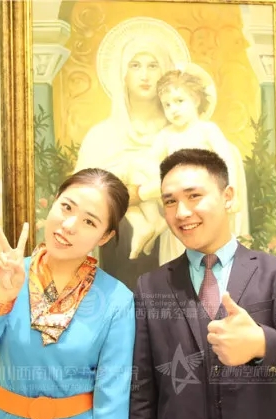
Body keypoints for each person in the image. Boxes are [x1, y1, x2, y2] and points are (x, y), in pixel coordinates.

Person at [130, 149, 276, 419]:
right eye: (170, 201)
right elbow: (142, 390)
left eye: (194, 196)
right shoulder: (150, 287)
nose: (182, 212)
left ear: (228, 196)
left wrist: (260, 343)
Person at [0, 168, 135, 419]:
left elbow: (112, 401)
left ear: (105, 236)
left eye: (89, 222)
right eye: (66, 207)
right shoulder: (4, 275)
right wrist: (3, 296)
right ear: (54, 201)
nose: (69, 225)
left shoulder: (117, 300)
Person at [72, 17, 190, 285]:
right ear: (122, 74)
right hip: (117, 260)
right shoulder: (100, 136)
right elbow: (82, 198)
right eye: (135, 65)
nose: (145, 75)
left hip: (176, 249)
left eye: (153, 65)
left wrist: (139, 193)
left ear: (165, 72)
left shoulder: (181, 133)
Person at [127, 68, 250, 263]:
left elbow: (227, 160)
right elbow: (148, 162)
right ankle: (151, 222)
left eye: (179, 101)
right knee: (135, 168)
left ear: (196, 100)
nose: (173, 109)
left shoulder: (207, 130)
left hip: (201, 200)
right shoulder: (166, 135)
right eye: (167, 105)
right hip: (177, 204)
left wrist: (232, 192)